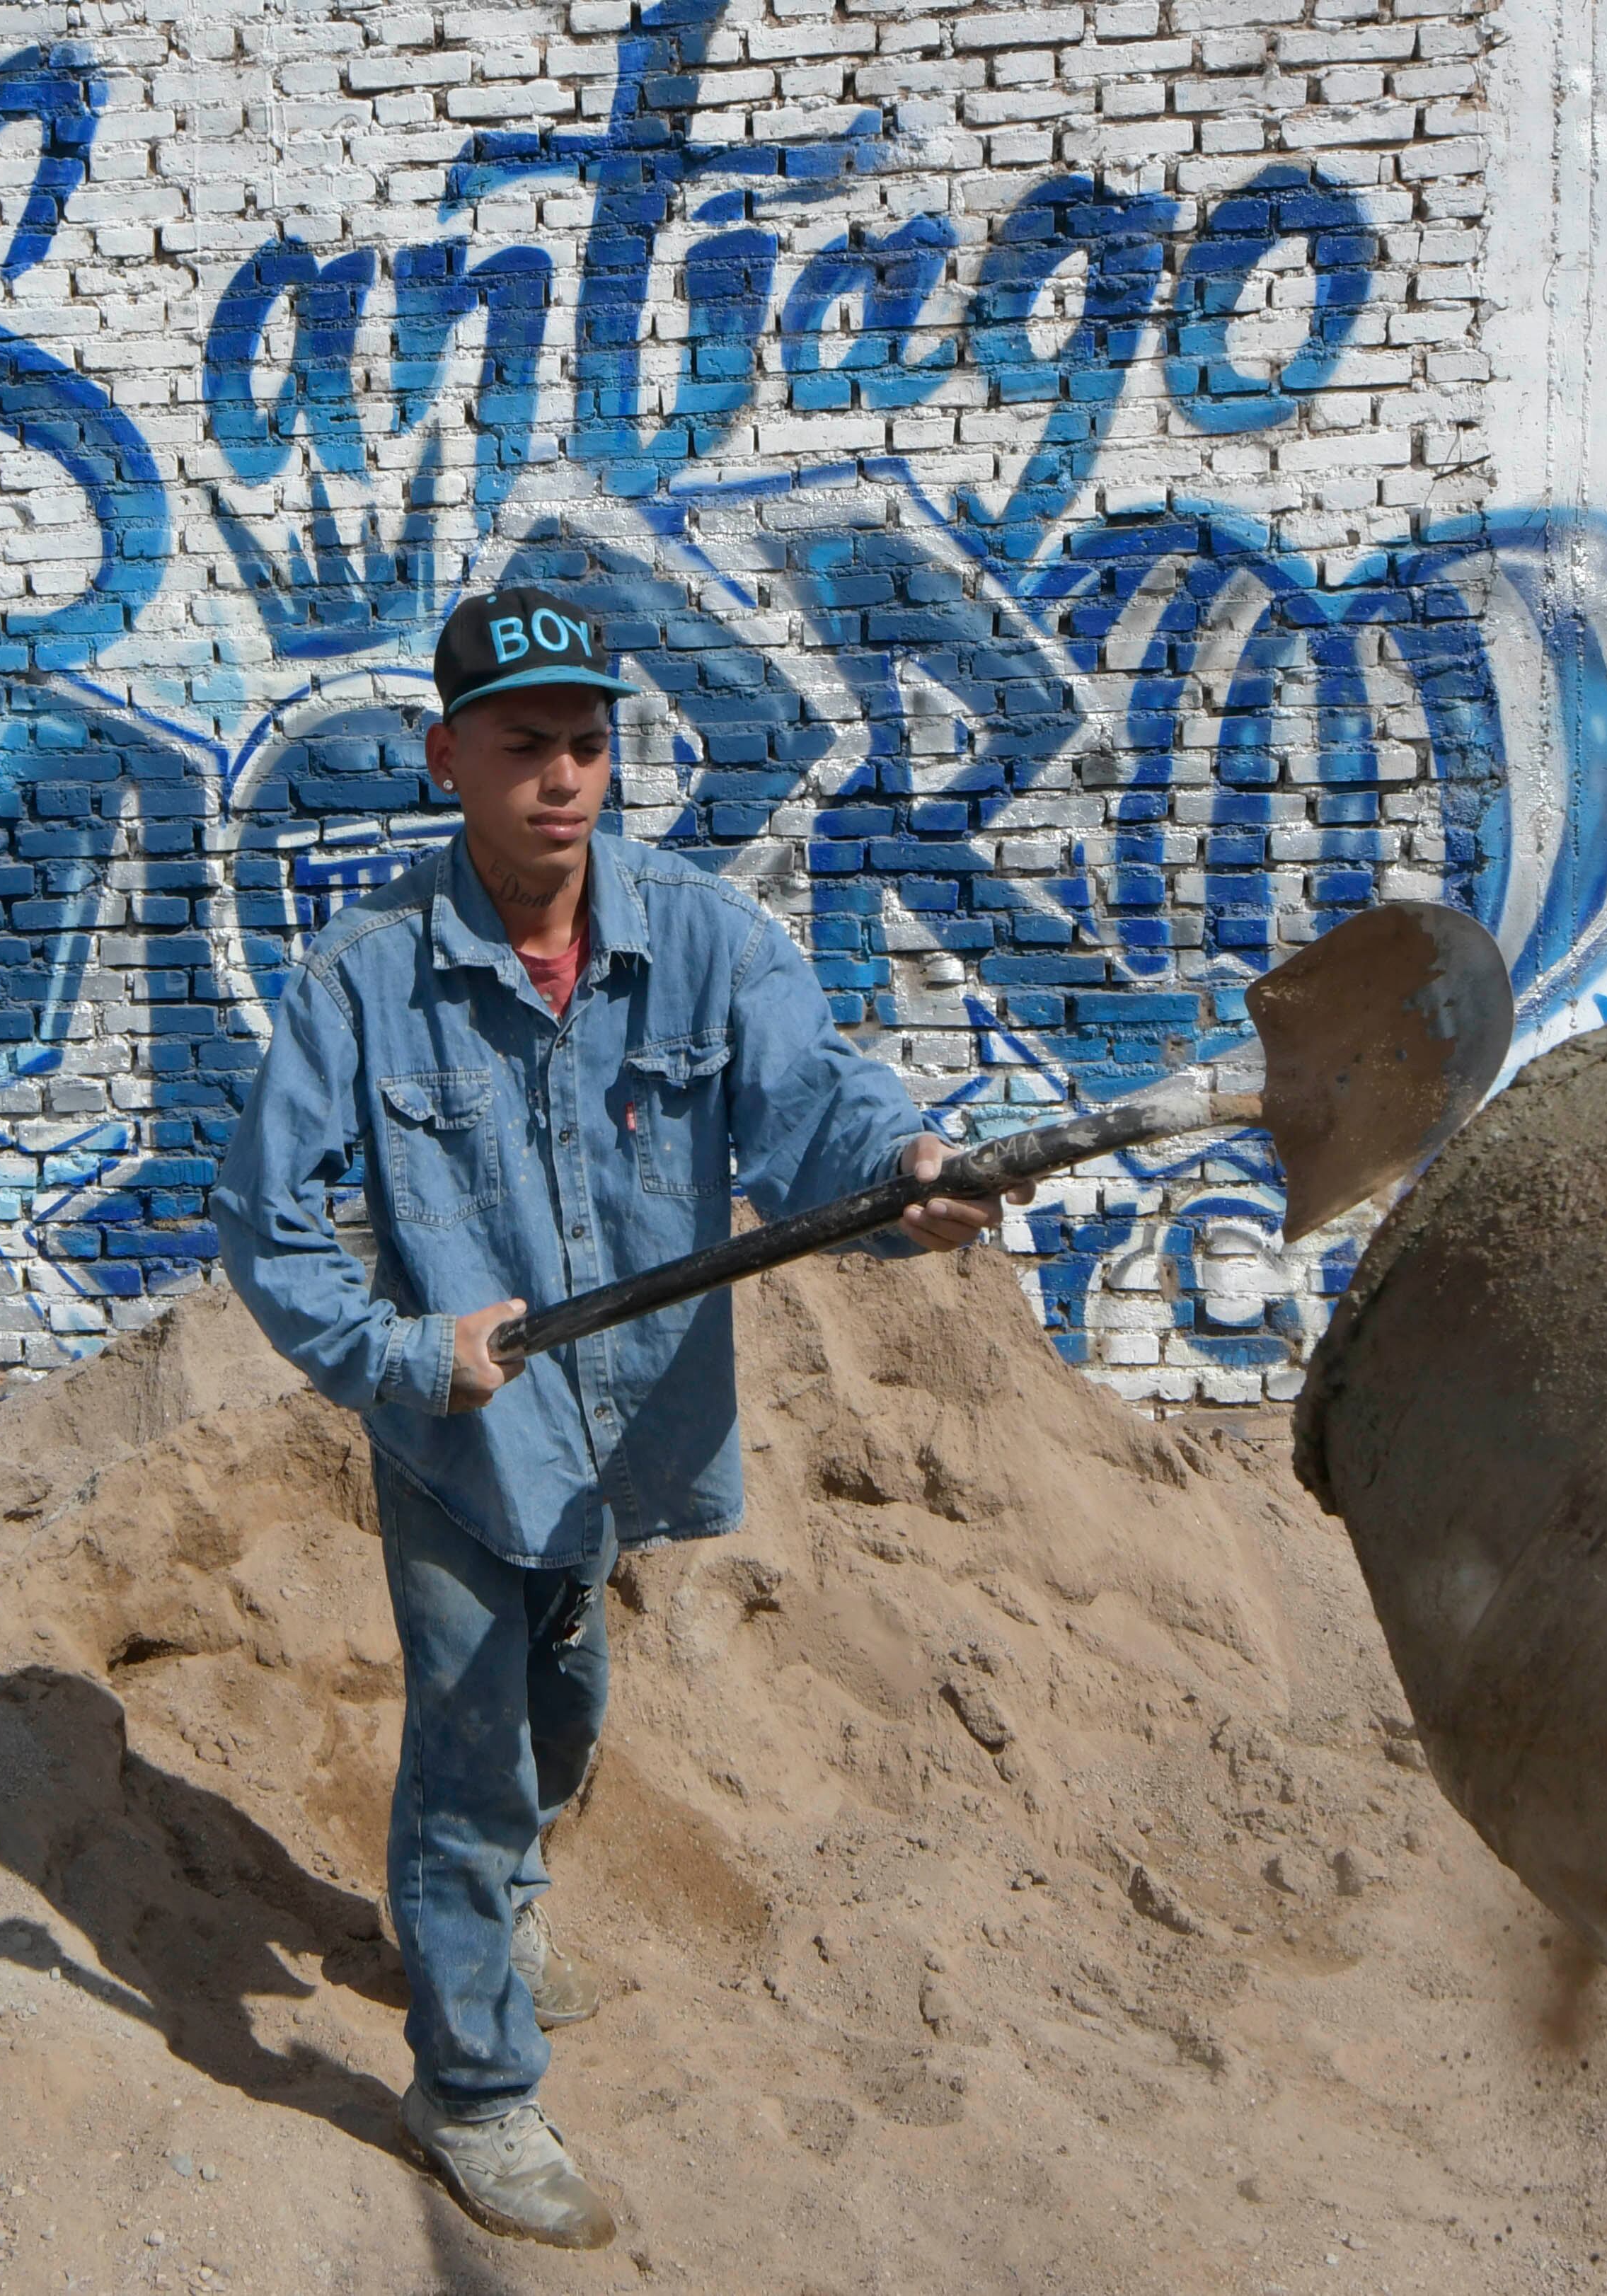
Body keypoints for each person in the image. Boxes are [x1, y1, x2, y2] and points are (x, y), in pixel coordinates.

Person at [214, 586, 1010, 2246]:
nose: (563, 778)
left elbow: (818, 1106)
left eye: (588, 744)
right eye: (524, 747)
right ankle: (474, 2089)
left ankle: (489, 1905)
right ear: (449, 760)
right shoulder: (365, 984)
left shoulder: (706, 943)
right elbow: (270, 1229)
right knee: (471, 1741)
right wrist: (407, 1353)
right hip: (455, 1435)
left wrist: (906, 1171)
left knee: (561, 1714)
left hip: (626, 1432)